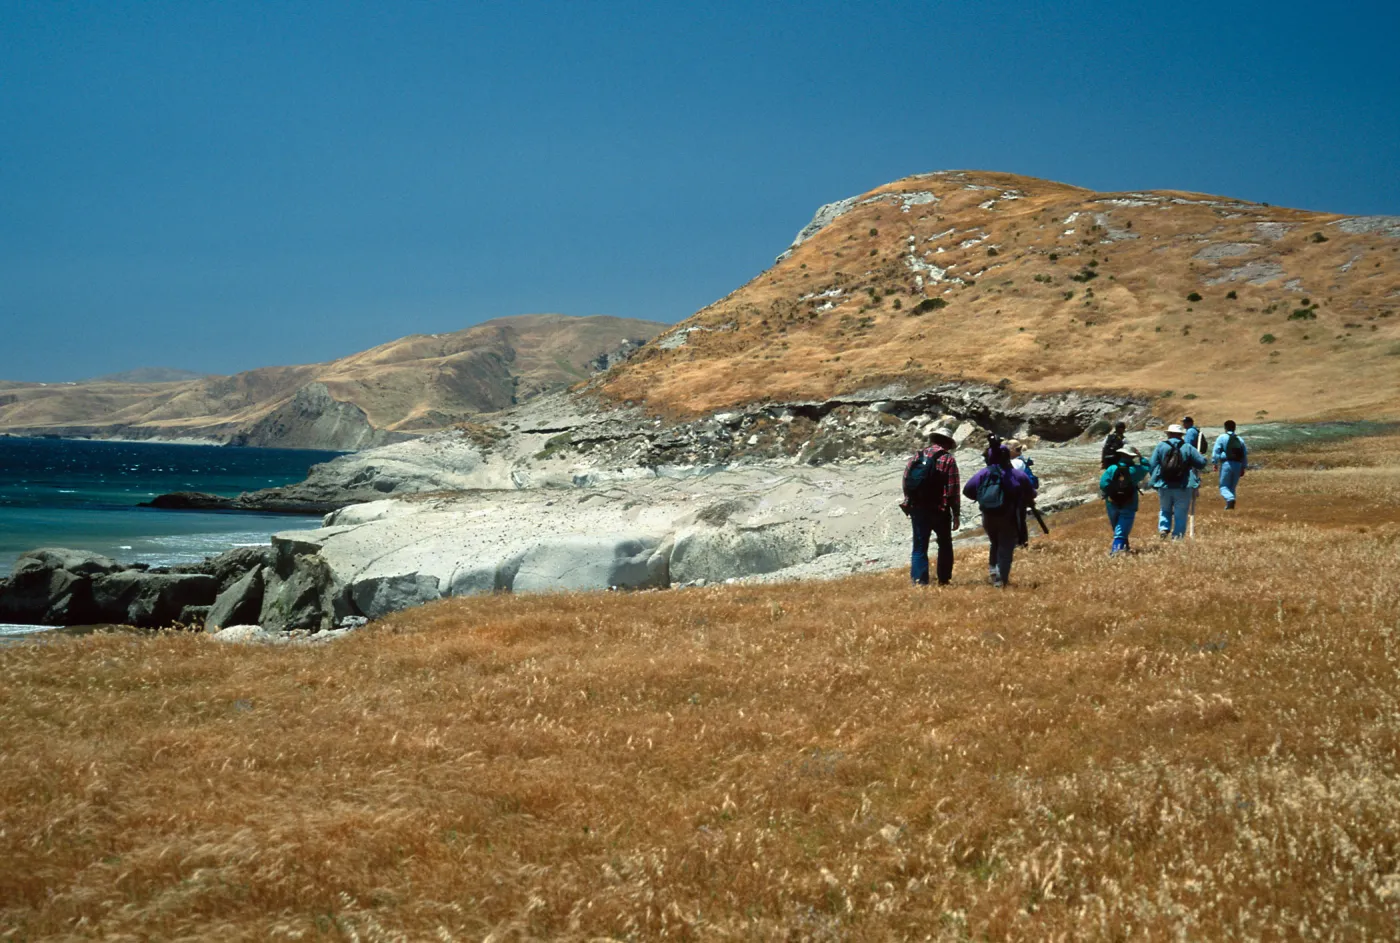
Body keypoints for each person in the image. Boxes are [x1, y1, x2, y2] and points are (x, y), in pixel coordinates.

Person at [962, 435, 1037, 588]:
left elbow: (967, 490)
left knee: (994, 542)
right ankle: (1000, 579)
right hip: (1009, 515)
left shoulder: (984, 473)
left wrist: (982, 497)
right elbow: (1031, 492)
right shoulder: (1016, 474)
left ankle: (993, 572)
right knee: (1006, 545)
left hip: (988, 515)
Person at [900, 427, 961, 586]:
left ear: (933, 439)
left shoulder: (917, 456)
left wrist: (909, 502)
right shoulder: (948, 459)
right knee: (945, 544)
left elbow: (906, 481)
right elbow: (953, 488)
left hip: (918, 508)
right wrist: (956, 514)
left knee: (919, 547)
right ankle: (944, 580)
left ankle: (919, 582)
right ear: (948, 443)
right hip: (940, 509)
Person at [1148, 423, 1207, 538]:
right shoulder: (1188, 447)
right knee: (1181, 512)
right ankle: (1177, 536)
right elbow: (1201, 463)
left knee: (1165, 508)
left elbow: (1152, 464)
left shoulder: (1161, 446)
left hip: (1164, 484)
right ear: (1181, 435)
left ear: (1169, 434)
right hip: (1183, 485)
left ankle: (1164, 528)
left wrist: (1156, 478)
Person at [1099, 446, 1148, 554]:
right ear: (1132, 457)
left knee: (1117, 527)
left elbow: (1103, 483)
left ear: (1121, 455)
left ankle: (1124, 548)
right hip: (1129, 502)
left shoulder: (1112, 468)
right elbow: (1147, 466)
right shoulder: (1136, 470)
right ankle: (1116, 552)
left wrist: (1111, 492)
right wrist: (1141, 457)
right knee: (1122, 528)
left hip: (1112, 502)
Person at [1005, 439, 1039, 547]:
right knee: (1020, 521)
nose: (1020, 451)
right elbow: (1031, 482)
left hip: (1009, 497)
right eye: (1018, 449)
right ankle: (1022, 543)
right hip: (1020, 498)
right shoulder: (1021, 463)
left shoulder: (1011, 463)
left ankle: (1015, 544)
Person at [1211, 420, 1248, 509]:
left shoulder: (1222, 437)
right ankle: (1229, 507)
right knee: (1232, 486)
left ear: (1225, 428)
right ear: (1235, 428)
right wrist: (1243, 467)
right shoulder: (1240, 439)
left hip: (1226, 463)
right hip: (1238, 464)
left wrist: (1214, 462)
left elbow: (1216, 451)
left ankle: (1230, 499)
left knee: (1223, 486)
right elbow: (1244, 454)